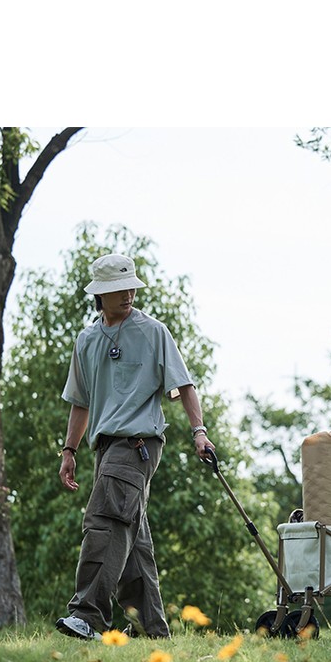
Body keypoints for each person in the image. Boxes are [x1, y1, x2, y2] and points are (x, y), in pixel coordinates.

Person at [56, 253, 215, 640]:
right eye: (117, 289)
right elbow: (81, 401)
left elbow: (184, 384)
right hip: (105, 450)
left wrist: (199, 432)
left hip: (138, 444)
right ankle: (152, 630)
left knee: (105, 524)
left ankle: (88, 617)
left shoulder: (152, 331)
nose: (127, 294)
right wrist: (69, 451)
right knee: (132, 540)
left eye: (130, 287)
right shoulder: (87, 339)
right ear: (99, 295)